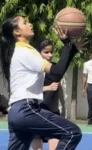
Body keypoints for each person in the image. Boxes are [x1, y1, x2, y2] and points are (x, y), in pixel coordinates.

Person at [0, 16, 82, 150]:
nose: (30, 24)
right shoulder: (25, 52)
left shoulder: (18, 51)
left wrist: (71, 50)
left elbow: (56, 70)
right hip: (27, 109)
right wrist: (67, 45)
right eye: (25, 23)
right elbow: (56, 73)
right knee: (72, 133)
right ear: (17, 32)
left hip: (15, 111)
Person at [30, 40, 66, 150]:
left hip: (53, 112)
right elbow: (28, 91)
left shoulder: (55, 69)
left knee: (54, 145)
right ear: (39, 52)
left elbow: (59, 88)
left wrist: (63, 107)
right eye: (46, 52)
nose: (50, 55)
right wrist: (47, 88)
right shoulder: (33, 70)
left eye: (51, 52)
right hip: (36, 111)